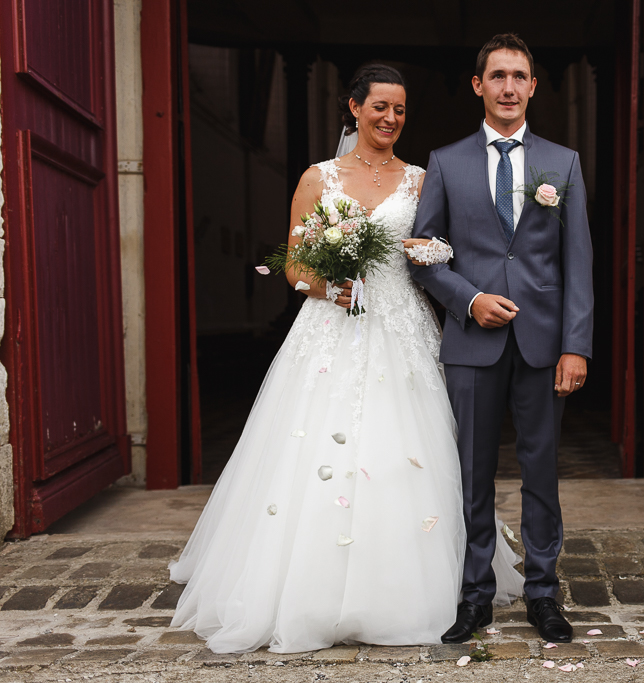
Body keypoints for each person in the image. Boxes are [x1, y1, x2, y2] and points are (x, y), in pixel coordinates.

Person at [168, 64, 523, 654]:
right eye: (380, 107)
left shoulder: (420, 178)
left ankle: (414, 586)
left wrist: (431, 249)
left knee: (407, 450)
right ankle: (307, 590)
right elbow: (295, 265)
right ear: (354, 108)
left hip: (404, 326)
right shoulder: (319, 178)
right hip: (333, 327)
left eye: (401, 110)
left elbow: (438, 247)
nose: (390, 119)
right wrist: (335, 288)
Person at [410, 33, 594, 644]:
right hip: (472, 343)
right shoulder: (447, 161)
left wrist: (577, 345)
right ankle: (475, 595)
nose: (509, 87)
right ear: (478, 85)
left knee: (542, 473)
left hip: (544, 345)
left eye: (519, 76)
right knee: (471, 473)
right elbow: (423, 255)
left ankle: (543, 593)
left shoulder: (561, 163)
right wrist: (469, 299)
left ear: (533, 86)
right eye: (498, 76)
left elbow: (578, 263)